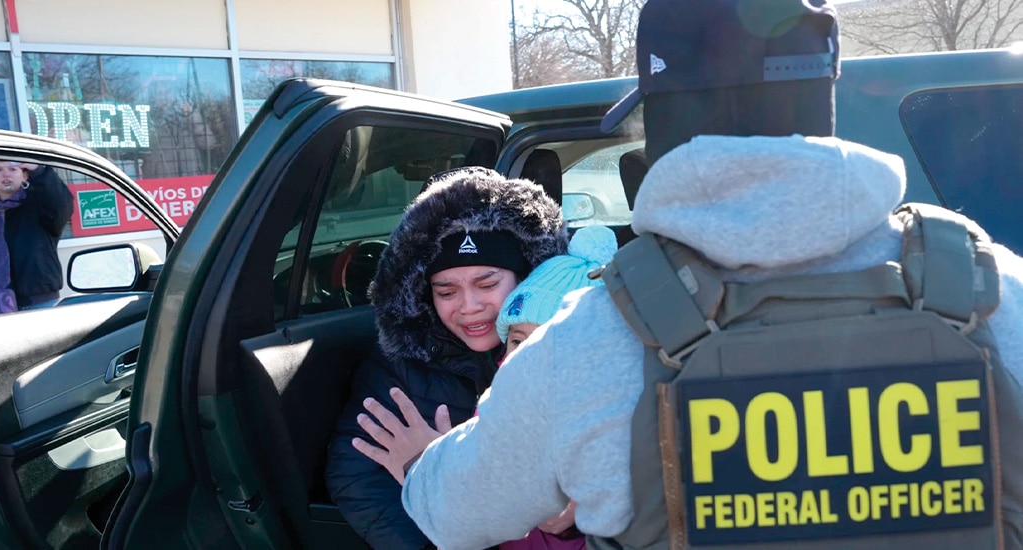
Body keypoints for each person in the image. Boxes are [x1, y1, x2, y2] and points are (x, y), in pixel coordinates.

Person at [352, 1, 1023, 549]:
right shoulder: (994, 291)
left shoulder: (592, 339)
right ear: (824, 100)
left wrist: (418, 465)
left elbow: (453, 516)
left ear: (663, 121)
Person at [325, 166, 568, 550]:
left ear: (524, 279)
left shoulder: (562, 349)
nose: (469, 307)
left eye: (487, 284)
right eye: (446, 291)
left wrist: (442, 465)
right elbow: (355, 472)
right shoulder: (402, 362)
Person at [491, 224, 616, 550]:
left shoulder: (607, 421)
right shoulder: (497, 403)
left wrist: (573, 520)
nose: (525, 357)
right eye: (517, 340)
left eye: (549, 345)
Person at [0, 160, 75, 316]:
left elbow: (63, 205)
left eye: (12, 169)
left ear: (24, 177)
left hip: (39, 303)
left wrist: (39, 171)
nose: (6, 174)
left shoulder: (39, 204)